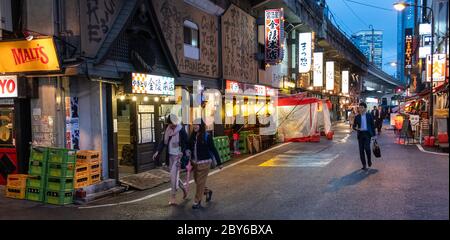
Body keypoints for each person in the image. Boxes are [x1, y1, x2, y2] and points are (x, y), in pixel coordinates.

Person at [153, 114, 189, 205]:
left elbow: (186, 142)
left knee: (173, 175)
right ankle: (184, 189)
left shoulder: (181, 130)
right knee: (174, 175)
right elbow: (163, 142)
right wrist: (157, 152)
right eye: (170, 124)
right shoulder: (168, 130)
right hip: (170, 156)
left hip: (178, 157)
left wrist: (183, 152)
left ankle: (173, 197)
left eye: (173, 123)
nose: (172, 125)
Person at [186, 119, 221, 209]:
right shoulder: (193, 136)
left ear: (201, 125)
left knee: (200, 182)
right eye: (194, 124)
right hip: (195, 163)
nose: (195, 126)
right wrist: (187, 151)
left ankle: (197, 201)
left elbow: (213, 149)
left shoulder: (206, 136)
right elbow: (189, 146)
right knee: (198, 181)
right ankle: (207, 191)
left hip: (205, 162)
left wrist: (219, 163)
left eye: (197, 124)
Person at [353, 102, 376, 171]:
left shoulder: (369, 115)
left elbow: (372, 125)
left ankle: (369, 160)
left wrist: (374, 135)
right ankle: (364, 164)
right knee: (361, 150)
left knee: (367, 148)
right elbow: (354, 126)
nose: (360, 109)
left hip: (367, 134)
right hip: (360, 134)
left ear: (365, 108)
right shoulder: (357, 117)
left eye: (361, 107)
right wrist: (356, 128)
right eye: (359, 107)